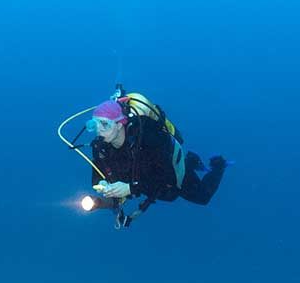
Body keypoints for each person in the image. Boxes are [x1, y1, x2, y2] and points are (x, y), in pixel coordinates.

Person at [87, 94, 227, 225]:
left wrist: (130, 188)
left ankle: (218, 165)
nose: (99, 130)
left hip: (171, 174)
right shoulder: (101, 148)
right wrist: (102, 187)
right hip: (144, 184)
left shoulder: (148, 139)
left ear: (119, 124)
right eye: (94, 124)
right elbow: (98, 174)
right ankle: (191, 160)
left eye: (104, 124)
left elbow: (166, 176)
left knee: (203, 197)